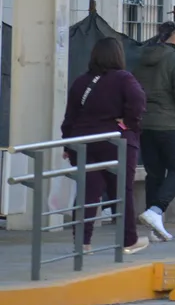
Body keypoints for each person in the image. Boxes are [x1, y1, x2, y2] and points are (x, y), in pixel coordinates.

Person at [60, 37, 149, 254]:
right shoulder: (124, 78)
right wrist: (129, 123)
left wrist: (67, 144)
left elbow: (70, 116)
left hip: (82, 142)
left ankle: (82, 243)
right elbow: (138, 100)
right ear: (118, 55)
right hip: (114, 142)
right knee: (121, 191)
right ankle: (128, 241)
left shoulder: (81, 82)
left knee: (87, 193)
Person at [131, 20, 175, 242]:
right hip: (172, 126)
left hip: (146, 125)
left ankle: (154, 228)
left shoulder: (142, 60)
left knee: (155, 174)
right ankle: (156, 210)